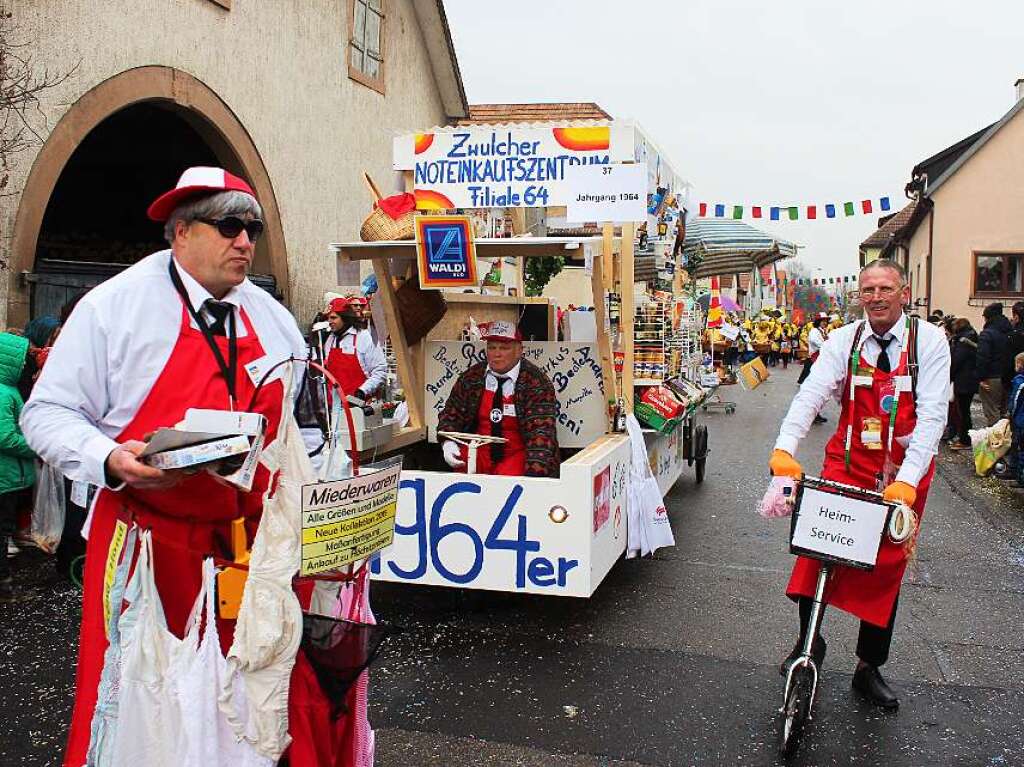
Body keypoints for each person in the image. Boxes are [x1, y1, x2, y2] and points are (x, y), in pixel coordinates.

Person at [19, 166, 337, 766]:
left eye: (252, 229)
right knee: (148, 704)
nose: (245, 242)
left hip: (248, 549)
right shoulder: (113, 308)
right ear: (182, 233)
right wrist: (109, 458)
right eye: (229, 226)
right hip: (147, 545)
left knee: (247, 695)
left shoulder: (271, 319)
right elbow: (48, 414)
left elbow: (302, 430)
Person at [769, 259, 950, 710]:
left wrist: (906, 481)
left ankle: (869, 667)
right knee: (818, 552)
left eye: (885, 288)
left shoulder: (928, 341)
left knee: (886, 569)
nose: (876, 297)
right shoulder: (843, 339)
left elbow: (932, 416)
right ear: (860, 296)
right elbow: (810, 394)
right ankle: (809, 643)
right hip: (847, 465)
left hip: (901, 476)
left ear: (903, 293)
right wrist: (784, 449)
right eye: (868, 290)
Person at [438, 320, 559, 477]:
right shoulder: (472, 377)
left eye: (504, 348)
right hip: (479, 451)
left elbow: (541, 434)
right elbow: (451, 413)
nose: (497, 354)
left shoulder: (536, 382)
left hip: (518, 454)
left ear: (519, 351)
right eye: (492, 347)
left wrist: (533, 480)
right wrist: (448, 442)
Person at [0, 333, 37, 602]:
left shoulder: (8, 390)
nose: (27, 365)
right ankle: (3, 586)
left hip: (10, 475)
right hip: (4, 476)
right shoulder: (3, 393)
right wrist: (36, 446)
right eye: (24, 360)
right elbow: (4, 436)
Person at [322, 294, 386, 401]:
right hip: (334, 406)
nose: (329, 321)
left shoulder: (363, 337)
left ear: (345, 318)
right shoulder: (330, 340)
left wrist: (362, 391)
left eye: (333, 317)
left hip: (358, 405)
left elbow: (380, 370)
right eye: (328, 318)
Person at [976, 302, 1012, 426]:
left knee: (992, 412)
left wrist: (981, 378)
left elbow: (982, 357)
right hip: (1007, 376)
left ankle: (995, 442)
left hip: (991, 377)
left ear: (988, 317)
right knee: (1004, 411)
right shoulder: (1009, 331)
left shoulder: (987, 334)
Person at [948, 318, 979, 451]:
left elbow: (956, 361)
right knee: (964, 411)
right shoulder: (972, 336)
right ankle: (964, 437)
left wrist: (948, 376)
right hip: (969, 379)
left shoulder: (963, 341)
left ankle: (965, 440)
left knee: (962, 412)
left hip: (963, 381)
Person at [798, 314, 830, 423]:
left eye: (826, 321)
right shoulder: (814, 332)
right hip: (814, 362)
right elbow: (819, 344)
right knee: (813, 391)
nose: (825, 323)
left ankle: (815, 413)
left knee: (818, 391)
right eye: (822, 321)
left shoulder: (823, 332)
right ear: (818, 322)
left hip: (820, 362)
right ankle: (809, 414)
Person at [1007, 352, 1024, 485]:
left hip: (1020, 419)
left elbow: (1015, 400)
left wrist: (1010, 413)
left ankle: (1018, 474)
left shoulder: (1019, 381)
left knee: (1018, 446)